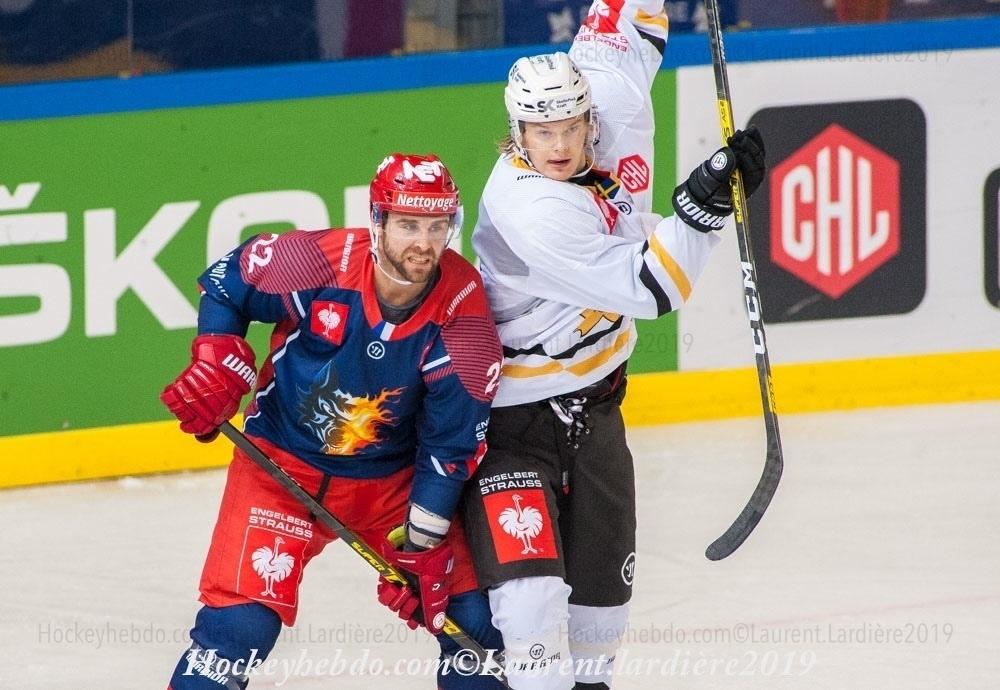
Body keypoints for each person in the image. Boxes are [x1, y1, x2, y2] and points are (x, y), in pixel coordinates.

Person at [461, 2, 767, 689]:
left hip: (598, 409)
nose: (560, 145)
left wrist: (714, 189)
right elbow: (653, 286)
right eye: (542, 132)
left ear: (589, 115)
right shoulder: (529, 208)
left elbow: (633, 19)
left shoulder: (609, 92)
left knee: (599, 625)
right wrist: (706, 204)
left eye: (572, 127)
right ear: (517, 133)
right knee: (531, 620)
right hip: (512, 426)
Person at [160, 153, 505, 689]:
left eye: (437, 227)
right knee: (238, 631)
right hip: (279, 472)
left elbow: (449, 449)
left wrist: (422, 547)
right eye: (409, 225)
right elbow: (228, 283)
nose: (424, 243)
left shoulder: (464, 317)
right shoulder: (320, 261)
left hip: (388, 485)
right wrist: (216, 353)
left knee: (474, 626)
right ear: (378, 222)